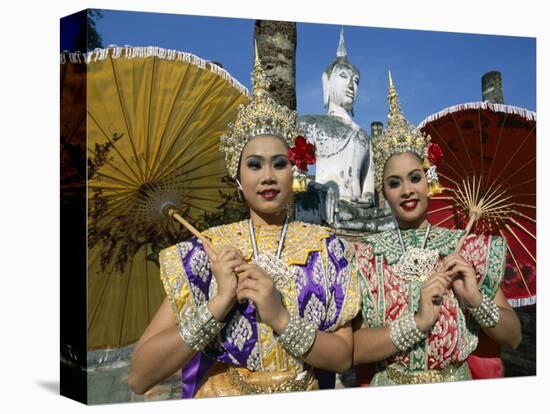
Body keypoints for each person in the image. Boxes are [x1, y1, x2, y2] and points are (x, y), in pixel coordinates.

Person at [128, 47, 360, 398]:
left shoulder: (326, 247)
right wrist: (219, 303)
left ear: (293, 171)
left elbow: (343, 358)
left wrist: (279, 317)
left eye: (279, 163)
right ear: (238, 179)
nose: (267, 176)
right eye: (254, 165)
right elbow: (140, 375)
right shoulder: (207, 250)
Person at [352, 73, 521, 386]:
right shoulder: (366, 255)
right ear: (384, 191)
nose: (407, 191)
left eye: (415, 178)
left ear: (428, 182)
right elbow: (354, 350)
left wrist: (475, 301)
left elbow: (513, 336)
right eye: (394, 183)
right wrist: (418, 322)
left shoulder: (467, 248)